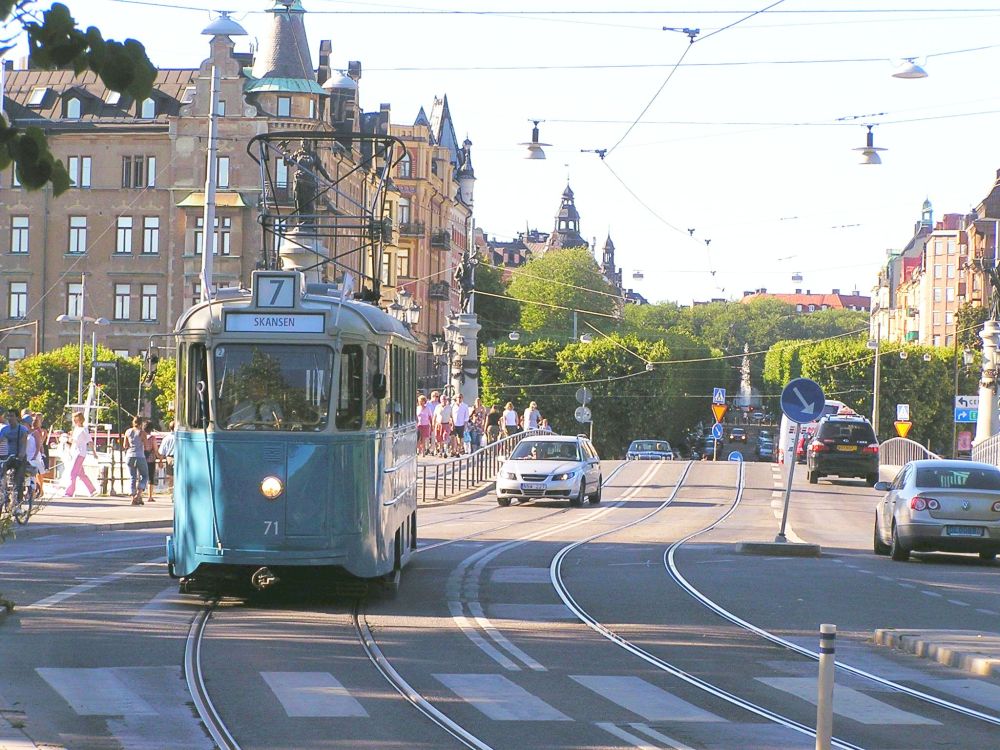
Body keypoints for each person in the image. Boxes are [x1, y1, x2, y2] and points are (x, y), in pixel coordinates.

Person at [64, 412, 98, 498]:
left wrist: (94, 453)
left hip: (80, 453)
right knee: (81, 473)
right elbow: (73, 441)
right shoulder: (76, 429)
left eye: (75, 419)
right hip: (74, 452)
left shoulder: (84, 429)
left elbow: (90, 441)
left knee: (73, 473)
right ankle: (92, 490)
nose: (74, 420)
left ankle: (69, 492)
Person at [0, 408, 29, 507]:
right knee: (1, 472)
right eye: (8, 416)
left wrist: (21, 455)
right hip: (8, 456)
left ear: (17, 417)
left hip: (20, 457)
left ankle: (18, 504)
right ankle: (3, 493)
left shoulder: (22, 429)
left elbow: (24, 444)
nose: (9, 418)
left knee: (18, 481)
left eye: (12, 416)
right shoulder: (5, 430)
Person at [123, 416, 147, 505]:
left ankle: (133, 497)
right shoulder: (142, 433)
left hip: (129, 456)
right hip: (140, 456)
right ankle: (139, 494)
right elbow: (146, 445)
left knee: (132, 477)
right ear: (141, 423)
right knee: (145, 476)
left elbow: (125, 445)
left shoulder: (128, 431)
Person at [143, 419, 159, 503]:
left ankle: (139, 494)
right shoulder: (152, 438)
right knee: (150, 478)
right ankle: (149, 496)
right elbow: (155, 450)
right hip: (151, 460)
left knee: (141, 477)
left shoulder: (141, 437)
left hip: (141, 459)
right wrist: (160, 458)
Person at [159, 420, 176, 493]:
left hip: (169, 458)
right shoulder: (179, 437)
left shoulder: (166, 438)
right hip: (179, 458)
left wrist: (160, 461)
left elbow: (162, 451)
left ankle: (171, 493)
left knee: (170, 477)